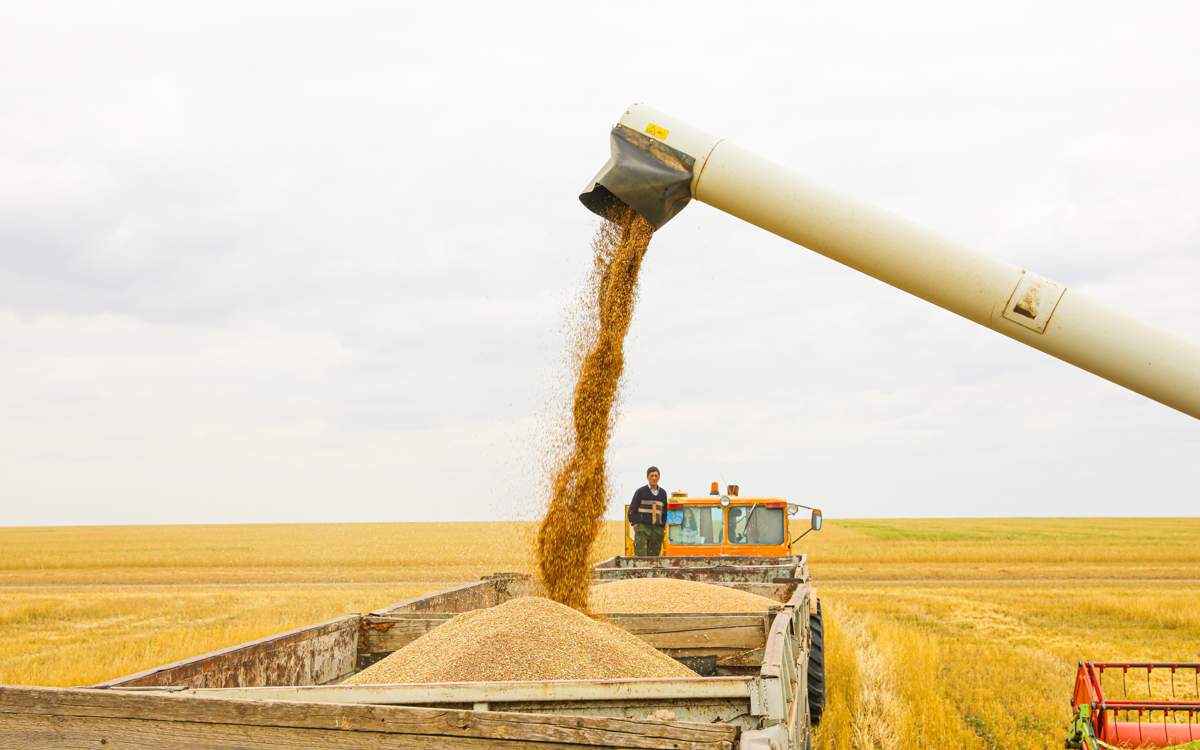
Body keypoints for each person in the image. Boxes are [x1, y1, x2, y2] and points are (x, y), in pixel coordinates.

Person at [628, 466, 667, 556]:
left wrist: (662, 527)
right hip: (643, 527)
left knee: (654, 557)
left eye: (656, 476)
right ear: (647, 477)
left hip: (657, 529)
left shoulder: (663, 493)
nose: (654, 478)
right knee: (641, 555)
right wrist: (634, 524)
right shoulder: (641, 491)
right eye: (651, 475)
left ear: (659, 477)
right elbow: (632, 509)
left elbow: (664, 512)